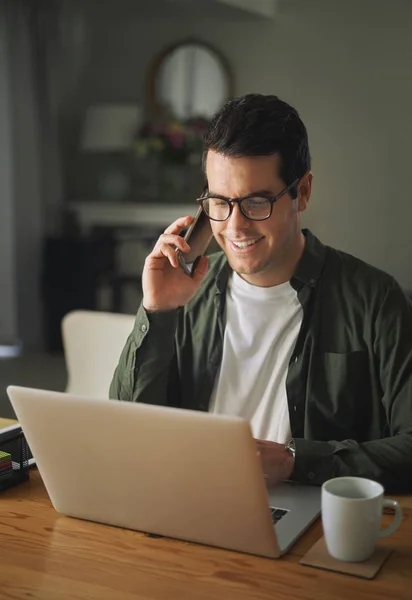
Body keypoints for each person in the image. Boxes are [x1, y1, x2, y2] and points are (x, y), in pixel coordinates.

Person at [110, 94, 412, 492]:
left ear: (302, 192)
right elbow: (126, 431)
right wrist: (158, 309)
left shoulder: (376, 301)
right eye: (219, 202)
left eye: (256, 202)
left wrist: (294, 462)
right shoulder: (184, 291)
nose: (234, 227)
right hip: (190, 502)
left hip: (312, 520)